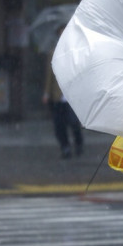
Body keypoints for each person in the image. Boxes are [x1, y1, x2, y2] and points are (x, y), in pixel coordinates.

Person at [42, 25, 84, 159]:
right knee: (59, 124)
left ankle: (78, 143)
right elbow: (49, 74)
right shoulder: (53, 53)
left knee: (74, 122)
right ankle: (65, 147)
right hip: (57, 95)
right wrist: (47, 93)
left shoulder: (77, 51)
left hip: (72, 95)